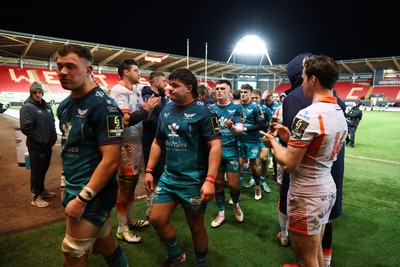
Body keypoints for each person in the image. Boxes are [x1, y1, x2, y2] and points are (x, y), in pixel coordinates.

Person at [261, 54, 347, 267]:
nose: (301, 82)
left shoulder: (306, 115)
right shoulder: (338, 110)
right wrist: (288, 137)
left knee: (305, 259)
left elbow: (290, 164)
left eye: (303, 76)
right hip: (326, 189)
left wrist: (273, 142)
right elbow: (316, 147)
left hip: (307, 195)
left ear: (313, 79)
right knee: (316, 250)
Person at [56, 44, 129, 266]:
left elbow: (111, 160)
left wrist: (82, 198)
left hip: (93, 194)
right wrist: (63, 183)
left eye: (70, 66)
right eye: (59, 66)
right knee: (103, 243)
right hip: (73, 186)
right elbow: (68, 148)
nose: (62, 72)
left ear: (88, 71)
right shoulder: (65, 105)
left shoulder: (105, 107)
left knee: (74, 251)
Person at [144, 68, 222, 267]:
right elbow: (157, 142)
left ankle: (201, 263)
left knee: (195, 227)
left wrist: (210, 180)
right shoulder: (167, 109)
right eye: (169, 84)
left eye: (174, 85)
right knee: (156, 219)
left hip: (194, 181)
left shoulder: (205, 112)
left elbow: (215, 146)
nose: (169, 88)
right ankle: (176, 255)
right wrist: (149, 170)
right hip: (169, 177)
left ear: (189, 88)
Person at [109, 58, 160, 243]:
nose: (140, 73)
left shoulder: (136, 90)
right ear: (126, 73)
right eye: (136, 70)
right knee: (125, 186)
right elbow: (126, 120)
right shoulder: (118, 90)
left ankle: (128, 220)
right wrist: (146, 109)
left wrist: (149, 110)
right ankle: (122, 228)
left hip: (136, 142)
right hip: (125, 145)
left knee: (131, 184)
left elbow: (143, 118)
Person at [208, 79, 243, 228]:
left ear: (229, 92)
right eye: (217, 89)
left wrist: (232, 129)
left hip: (231, 151)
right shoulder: (210, 108)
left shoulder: (236, 108)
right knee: (219, 184)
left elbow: (240, 130)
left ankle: (236, 204)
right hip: (216, 150)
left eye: (222, 89)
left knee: (234, 186)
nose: (219, 91)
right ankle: (221, 212)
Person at [20, 81, 58, 208]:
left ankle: (42, 191)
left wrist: (51, 138)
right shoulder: (27, 108)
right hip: (37, 146)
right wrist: (41, 139)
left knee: (43, 170)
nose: (38, 94)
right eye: (35, 92)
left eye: (40, 92)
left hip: (47, 145)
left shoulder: (46, 106)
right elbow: (26, 128)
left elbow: (52, 122)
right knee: (37, 172)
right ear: (31, 93)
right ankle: (35, 197)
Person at [141, 71, 168, 218]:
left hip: (161, 143)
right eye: (163, 81)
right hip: (150, 142)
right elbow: (150, 121)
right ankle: (150, 208)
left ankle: (158, 204)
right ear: (156, 82)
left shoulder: (161, 97)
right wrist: (168, 125)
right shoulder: (150, 97)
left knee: (160, 174)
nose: (166, 83)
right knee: (151, 175)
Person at [235, 83, 266, 200]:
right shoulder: (237, 107)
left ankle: (258, 186)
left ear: (251, 94)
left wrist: (246, 128)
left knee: (254, 167)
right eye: (242, 92)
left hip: (252, 141)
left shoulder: (257, 107)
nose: (243, 94)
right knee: (240, 166)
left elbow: (262, 125)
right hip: (240, 140)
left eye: (245, 92)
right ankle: (237, 193)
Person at [244, 88, 272, 193]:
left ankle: (263, 179)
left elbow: (270, 123)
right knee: (254, 160)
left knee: (264, 159)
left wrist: (268, 134)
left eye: (256, 98)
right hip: (252, 136)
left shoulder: (265, 109)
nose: (254, 99)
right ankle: (253, 179)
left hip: (263, 136)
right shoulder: (247, 108)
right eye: (253, 98)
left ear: (260, 98)